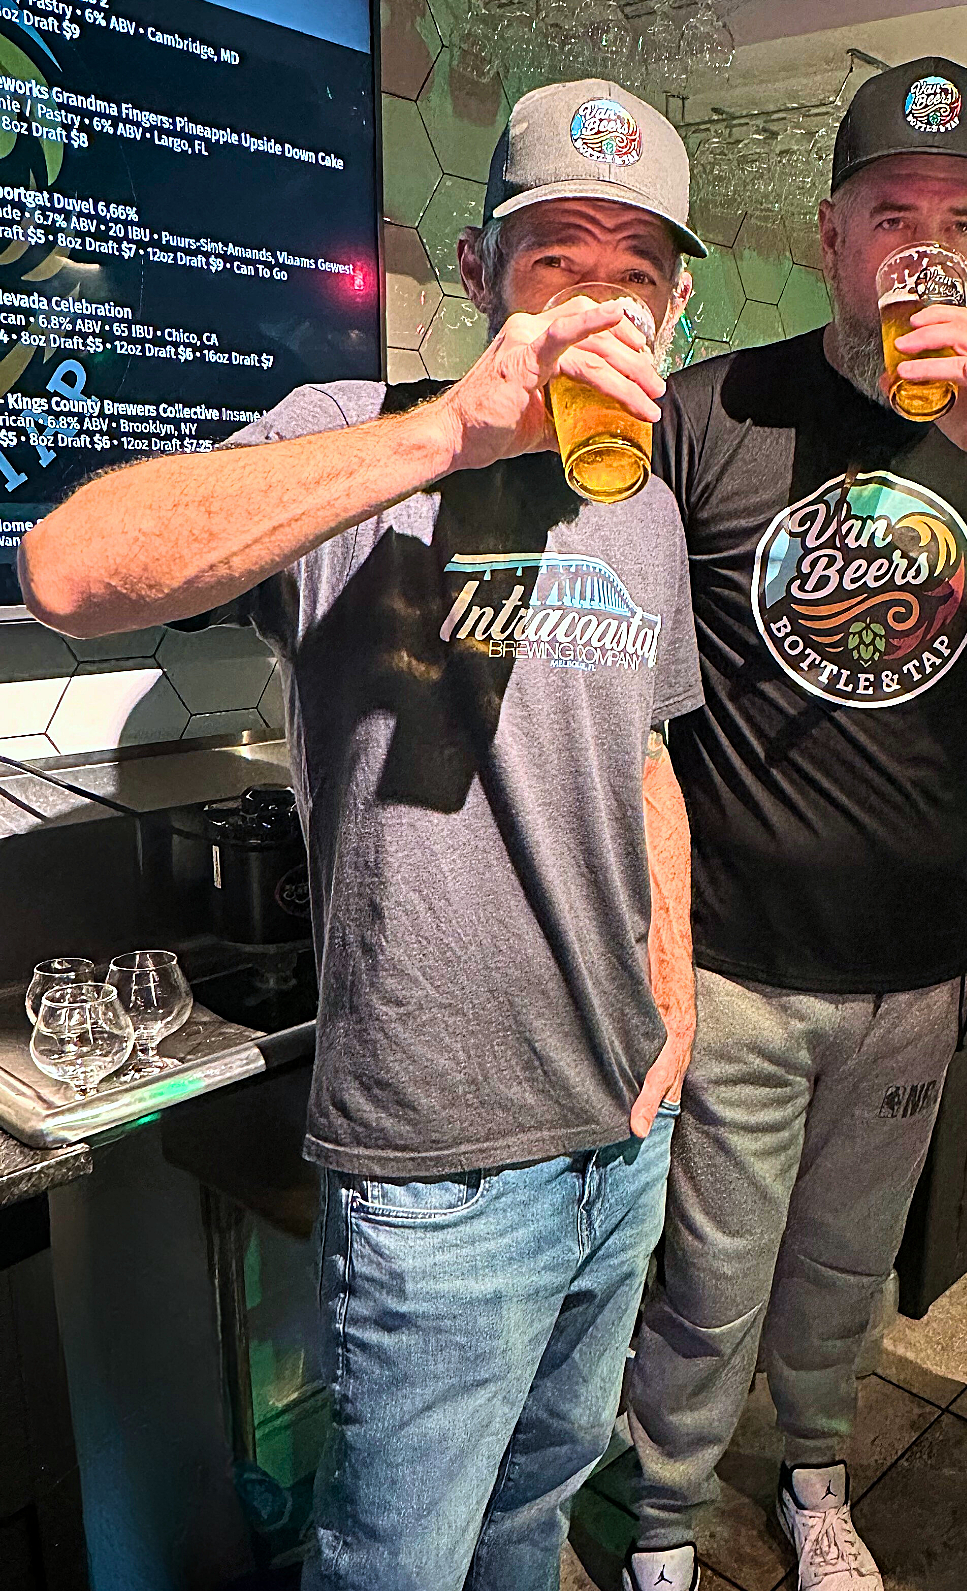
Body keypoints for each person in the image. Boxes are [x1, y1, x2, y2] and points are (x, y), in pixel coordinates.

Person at [19, 80, 709, 1591]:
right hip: (439, 1170)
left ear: (673, 304)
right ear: (480, 272)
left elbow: (646, 748)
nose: (598, 305)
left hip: (622, 1134)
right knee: (397, 1560)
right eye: (557, 261)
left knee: (535, 1517)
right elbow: (70, 570)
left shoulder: (646, 506)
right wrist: (450, 432)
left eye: (635, 272)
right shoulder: (357, 435)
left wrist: (674, 979)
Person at [612, 58, 967, 1591]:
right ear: (833, 234)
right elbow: (615, 682)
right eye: (896, 215)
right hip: (738, 961)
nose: (927, 251)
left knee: (842, 1267)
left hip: (917, 967)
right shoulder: (711, 412)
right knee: (710, 1279)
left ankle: (815, 1480)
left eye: (962, 222)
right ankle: (666, 1516)